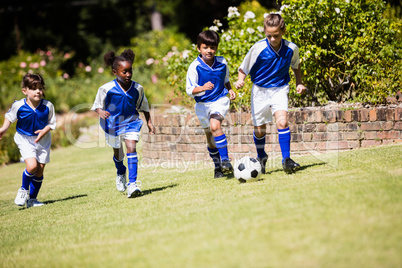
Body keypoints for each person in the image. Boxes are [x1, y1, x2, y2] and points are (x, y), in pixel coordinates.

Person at [235, 13, 306, 174]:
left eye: (276, 35)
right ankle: (261, 156)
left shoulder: (291, 48)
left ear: (283, 31)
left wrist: (299, 82)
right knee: (260, 130)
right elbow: (243, 68)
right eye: (269, 36)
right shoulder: (258, 48)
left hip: (280, 89)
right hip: (259, 91)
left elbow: (296, 65)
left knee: (282, 122)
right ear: (265, 33)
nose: (273, 39)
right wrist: (241, 80)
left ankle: (286, 160)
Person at [92, 49, 155, 198]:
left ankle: (132, 184)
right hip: (111, 125)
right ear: (115, 72)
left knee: (131, 148)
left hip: (131, 122)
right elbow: (97, 105)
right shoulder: (106, 89)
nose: (128, 75)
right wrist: (100, 112)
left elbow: (144, 106)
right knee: (118, 153)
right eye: (124, 72)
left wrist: (150, 123)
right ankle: (121, 171)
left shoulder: (137, 89)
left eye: (130, 71)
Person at [0, 74, 56, 208]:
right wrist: (4, 128)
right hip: (24, 139)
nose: (38, 91)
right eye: (33, 88)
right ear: (25, 91)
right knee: (32, 166)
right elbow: (9, 116)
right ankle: (23, 190)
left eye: (40, 88)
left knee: (39, 171)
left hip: (43, 140)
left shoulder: (48, 105)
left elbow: (52, 123)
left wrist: (44, 131)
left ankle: (32, 200)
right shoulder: (18, 105)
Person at [186, 30, 236, 178]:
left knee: (215, 126)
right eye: (205, 47)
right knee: (210, 136)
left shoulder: (222, 62)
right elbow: (189, 90)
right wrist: (202, 88)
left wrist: (230, 89)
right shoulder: (194, 67)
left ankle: (226, 160)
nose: (209, 50)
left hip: (219, 100)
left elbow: (225, 79)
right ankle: (218, 167)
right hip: (202, 105)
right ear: (198, 48)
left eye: (213, 47)